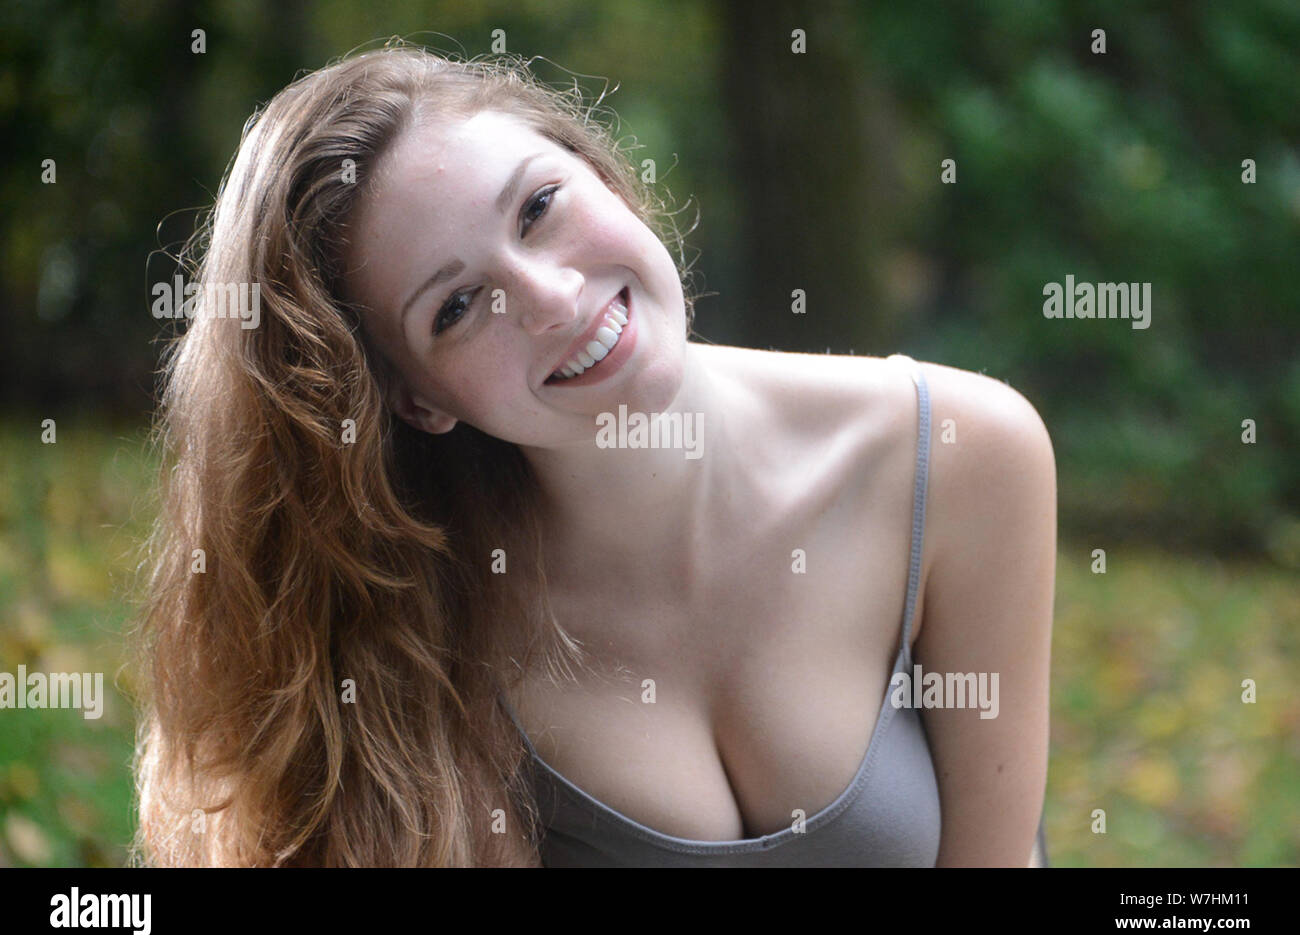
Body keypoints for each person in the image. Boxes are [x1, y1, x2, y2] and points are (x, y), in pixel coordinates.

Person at [131, 42, 1056, 867]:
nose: (551, 297)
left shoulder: (963, 451)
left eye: (538, 206)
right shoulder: (420, 620)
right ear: (419, 401)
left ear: (601, 173)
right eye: (455, 308)